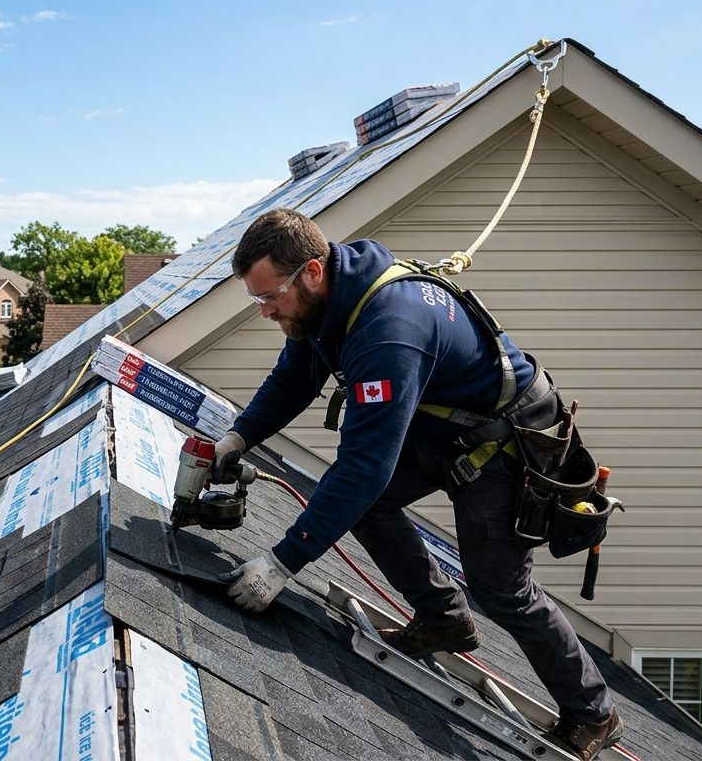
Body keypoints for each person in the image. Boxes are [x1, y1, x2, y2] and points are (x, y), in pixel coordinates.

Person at [218, 208, 622, 760]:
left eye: (270, 297)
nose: (265, 311)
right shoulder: (325, 306)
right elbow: (295, 376)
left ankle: (593, 712)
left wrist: (281, 563)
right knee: (363, 502)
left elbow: (364, 467)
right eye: (256, 299)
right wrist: (239, 437)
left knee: (499, 586)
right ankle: (442, 619)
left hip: (506, 441)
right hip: (446, 426)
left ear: (312, 271)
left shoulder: (389, 329)